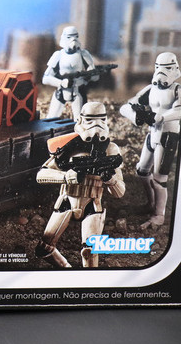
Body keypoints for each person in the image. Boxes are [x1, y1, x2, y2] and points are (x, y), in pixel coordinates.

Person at [35, 101, 125, 268]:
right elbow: (41, 175)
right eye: (90, 120)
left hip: (92, 204)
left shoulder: (111, 150)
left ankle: (90, 281)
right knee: (44, 248)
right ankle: (67, 270)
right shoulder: (71, 145)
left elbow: (120, 192)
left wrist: (110, 179)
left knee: (90, 251)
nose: (96, 125)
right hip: (66, 202)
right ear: (80, 120)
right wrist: (66, 176)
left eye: (101, 120)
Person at [119, 52, 181, 229]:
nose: (162, 72)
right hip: (152, 134)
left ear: (174, 68)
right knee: (142, 170)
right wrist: (136, 116)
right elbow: (127, 105)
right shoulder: (150, 89)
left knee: (159, 179)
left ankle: (159, 215)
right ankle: (151, 203)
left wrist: (161, 117)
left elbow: (180, 111)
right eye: (159, 68)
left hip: (168, 135)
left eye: (167, 68)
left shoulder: (178, 90)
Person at [42, 25, 99, 120]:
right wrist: (61, 83)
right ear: (64, 38)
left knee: (80, 120)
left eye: (76, 37)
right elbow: (46, 78)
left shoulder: (84, 54)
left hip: (78, 91)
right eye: (69, 37)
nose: (73, 40)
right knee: (51, 118)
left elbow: (95, 77)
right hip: (61, 91)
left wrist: (88, 76)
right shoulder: (58, 55)